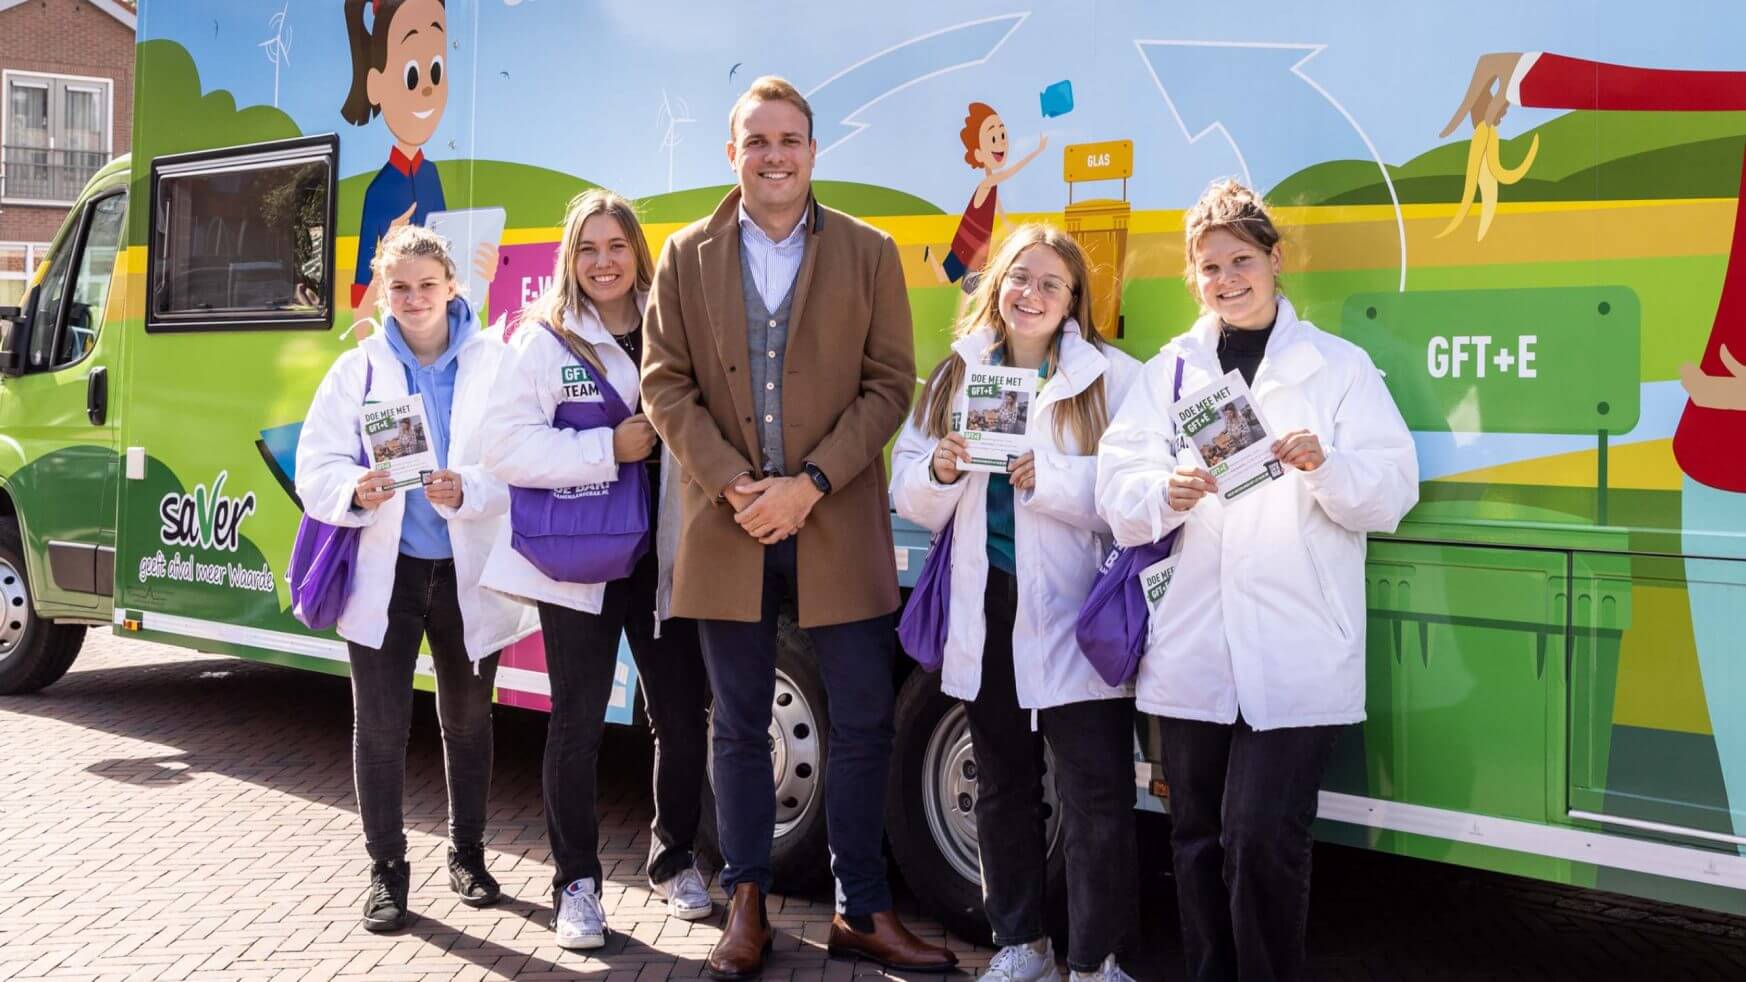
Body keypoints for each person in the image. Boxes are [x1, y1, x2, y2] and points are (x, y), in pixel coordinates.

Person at [641, 75, 956, 979]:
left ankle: (862, 908)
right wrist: (740, 483)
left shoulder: (868, 251)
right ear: (731, 154)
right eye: (756, 141)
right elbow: (665, 385)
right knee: (739, 727)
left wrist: (810, 483)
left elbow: (891, 384)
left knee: (862, 723)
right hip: (726, 525)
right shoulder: (684, 257)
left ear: (814, 152)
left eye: (789, 140)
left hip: (835, 525)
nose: (773, 155)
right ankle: (746, 901)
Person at [1095, 180, 1418, 981]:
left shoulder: (1336, 368)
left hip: (1300, 642)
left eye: (1241, 260)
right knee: (1196, 840)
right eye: (1209, 267)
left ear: (1275, 261)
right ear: (1193, 278)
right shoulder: (1170, 371)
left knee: (1264, 837)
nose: (1226, 279)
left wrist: (1327, 464)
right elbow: (1117, 483)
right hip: (1196, 642)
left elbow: (1393, 490)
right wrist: (1159, 492)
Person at [892, 225, 1144, 982]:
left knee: (1094, 791)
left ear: (1074, 303)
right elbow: (908, 492)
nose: (1029, 294)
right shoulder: (953, 377)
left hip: (1076, 614)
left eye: (1050, 284)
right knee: (1001, 782)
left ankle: (1097, 959)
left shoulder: (1112, 379)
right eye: (1018, 278)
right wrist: (935, 469)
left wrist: (1054, 478)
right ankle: (1021, 942)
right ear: (995, 284)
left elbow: (1135, 500)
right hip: (986, 607)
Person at [477, 190, 712, 950]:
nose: (603, 262)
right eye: (588, 248)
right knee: (576, 724)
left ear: (638, 254)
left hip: (663, 555)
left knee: (679, 717)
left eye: (616, 246)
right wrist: (603, 450)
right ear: (569, 260)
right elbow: (503, 447)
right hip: (580, 564)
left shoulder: (673, 329)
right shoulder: (542, 341)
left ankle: (674, 858)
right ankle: (575, 884)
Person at [294, 224, 533, 933]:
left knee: (467, 720)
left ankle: (467, 855)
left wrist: (473, 490)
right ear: (384, 290)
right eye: (400, 287)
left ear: (453, 287)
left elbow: (522, 460)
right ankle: (387, 870)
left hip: (466, 570)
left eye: (428, 285)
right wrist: (354, 489)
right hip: (386, 573)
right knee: (382, 726)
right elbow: (317, 464)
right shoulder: (359, 370)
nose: (415, 298)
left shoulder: (497, 363)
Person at [340, 0, 495, 334]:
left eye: (436, 70)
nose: (427, 87)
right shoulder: (378, 191)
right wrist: (385, 256)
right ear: (376, 85)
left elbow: (449, 277)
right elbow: (360, 321)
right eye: (412, 75)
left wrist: (483, 274)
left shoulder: (431, 175)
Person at [925, 102, 1048, 292]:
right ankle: (929, 256)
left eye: (1002, 134)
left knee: (951, 277)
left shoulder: (991, 183)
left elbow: (996, 203)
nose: (1001, 142)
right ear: (979, 153)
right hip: (970, 243)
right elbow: (1009, 173)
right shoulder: (986, 183)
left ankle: (930, 256)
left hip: (973, 242)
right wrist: (1035, 152)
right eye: (993, 137)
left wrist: (1006, 222)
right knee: (955, 280)